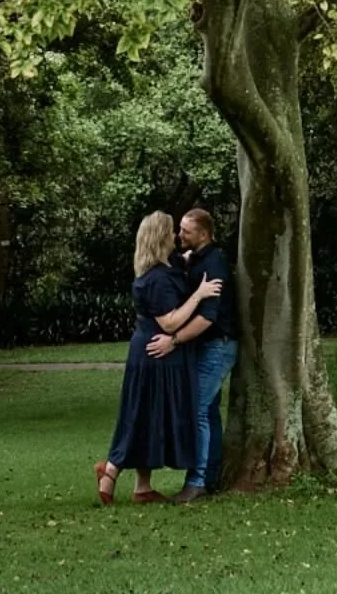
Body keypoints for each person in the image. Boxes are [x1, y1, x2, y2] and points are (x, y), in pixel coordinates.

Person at [95, 211, 222, 506]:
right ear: (160, 238)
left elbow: (182, 261)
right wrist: (200, 295)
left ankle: (142, 487)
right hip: (156, 351)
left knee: (151, 417)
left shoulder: (168, 266)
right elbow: (169, 322)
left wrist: (190, 258)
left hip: (156, 351)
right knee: (141, 415)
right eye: (171, 231)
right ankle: (111, 472)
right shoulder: (156, 278)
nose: (176, 236)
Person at [146, 206, 239, 503]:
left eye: (186, 231)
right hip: (207, 346)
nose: (179, 235)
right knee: (208, 410)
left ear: (203, 234)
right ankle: (208, 475)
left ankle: (197, 480)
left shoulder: (214, 264)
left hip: (217, 345)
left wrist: (173, 340)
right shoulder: (196, 259)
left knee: (197, 409)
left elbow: (207, 317)